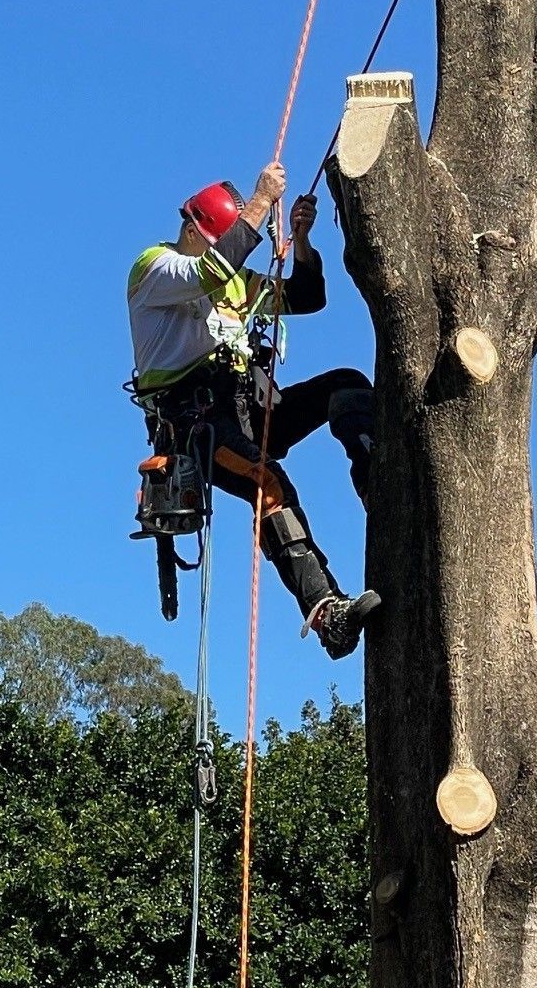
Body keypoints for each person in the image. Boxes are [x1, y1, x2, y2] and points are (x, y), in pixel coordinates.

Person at [127, 160, 380, 658]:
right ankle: (327, 612)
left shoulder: (236, 283)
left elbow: (307, 297)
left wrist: (301, 241)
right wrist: (262, 201)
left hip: (250, 407)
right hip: (198, 423)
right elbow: (209, 270)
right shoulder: (157, 269)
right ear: (195, 231)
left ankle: (376, 479)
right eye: (224, 242)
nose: (232, 257)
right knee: (268, 482)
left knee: (347, 386)